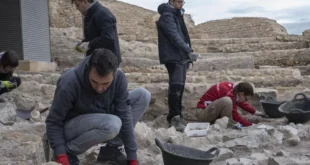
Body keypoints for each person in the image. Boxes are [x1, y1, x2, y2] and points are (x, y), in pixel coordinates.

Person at [45, 48, 151, 165]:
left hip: (101, 117)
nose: (100, 88)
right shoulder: (69, 82)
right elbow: (53, 121)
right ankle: (70, 151)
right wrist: (61, 154)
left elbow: (125, 115)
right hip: (71, 129)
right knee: (112, 124)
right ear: (88, 69)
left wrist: (132, 158)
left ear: (114, 73)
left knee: (143, 95)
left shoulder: (119, 79)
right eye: (94, 82)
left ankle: (111, 150)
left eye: (105, 83)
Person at [156, 0, 199, 132]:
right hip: (174, 57)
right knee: (175, 88)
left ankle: (178, 116)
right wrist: (188, 50)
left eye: (183, 1)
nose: (182, 4)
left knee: (179, 88)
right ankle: (174, 118)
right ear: (172, 1)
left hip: (180, 57)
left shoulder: (175, 14)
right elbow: (174, 36)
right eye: (179, 1)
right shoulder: (167, 16)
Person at [72, 0, 121, 66]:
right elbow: (92, 36)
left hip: (108, 64)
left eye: (77, 5)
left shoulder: (103, 14)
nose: (76, 8)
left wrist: (89, 44)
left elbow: (109, 37)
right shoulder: (89, 15)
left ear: (85, 2)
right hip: (97, 62)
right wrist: (83, 44)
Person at [196, 82, 265, 128]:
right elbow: (235, 115)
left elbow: (241, 102)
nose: (245, 101)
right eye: (246, 99)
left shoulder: (235, 89)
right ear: (241, 94)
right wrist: (251, 125)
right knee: (228, 102)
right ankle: (228, 125)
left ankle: (224, 122)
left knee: (238, 112)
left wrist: (255, 112)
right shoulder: (229, 94)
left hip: (210, 111)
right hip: (202, 115)